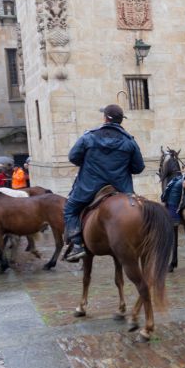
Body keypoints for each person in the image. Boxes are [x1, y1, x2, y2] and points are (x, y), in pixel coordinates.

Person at [63, 104, 145, 262]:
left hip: (89, 188)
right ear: (121, 121)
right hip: (121, 189)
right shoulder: (130, 141)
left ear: (105, 118)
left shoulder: (88, 136)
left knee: (70, 209)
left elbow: (73, 157)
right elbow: (138, 167)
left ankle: (77, 245)